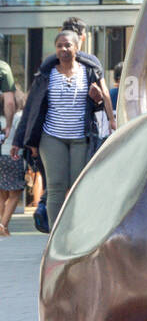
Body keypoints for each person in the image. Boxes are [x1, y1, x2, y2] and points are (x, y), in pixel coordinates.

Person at [14, 30, 114, 229]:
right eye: (59, 45)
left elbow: (103, 101)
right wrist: (19, 141)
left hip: (81, 137)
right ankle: (56, 237)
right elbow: (31, 109)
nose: (64, 49)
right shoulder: (45, 75)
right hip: (51, 137)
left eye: (68, 45)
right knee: (56, 186)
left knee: (79, 186)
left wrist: (103, 107)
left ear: (77, 48)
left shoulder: (88, 72)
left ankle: (78, 232)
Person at [0, 85, 25, 236]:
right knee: (15, 194)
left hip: (0, 157)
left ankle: (2, 225)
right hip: (14, 157)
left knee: (2, 194)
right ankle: (3, 225)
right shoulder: (18, 117)